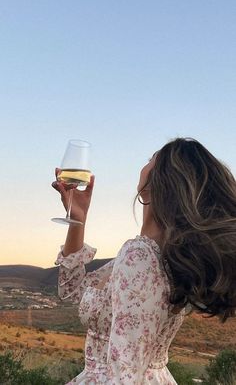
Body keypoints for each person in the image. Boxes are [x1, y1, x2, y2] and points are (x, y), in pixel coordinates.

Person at [52, 137, 236, 385]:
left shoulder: (139, 255)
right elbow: (72, 290)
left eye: (151, 159)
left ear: (160, 180)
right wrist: (78, 219)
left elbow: (124, 373)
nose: (144, 164)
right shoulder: (163, 255)